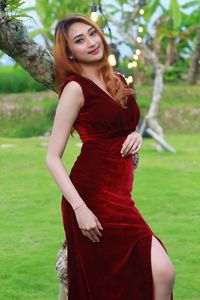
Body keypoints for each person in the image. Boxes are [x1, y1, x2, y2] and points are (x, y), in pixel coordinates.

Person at [46, 13, 175, 300]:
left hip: (120, 195)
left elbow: (124, 126)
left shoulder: (116, 79)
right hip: (91, 198)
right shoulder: (75, 89)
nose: (91, 42)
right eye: (80, 40)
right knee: (154, 273)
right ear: (69, 52)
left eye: (92, 33)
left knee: (158, 274)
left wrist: (136, 135)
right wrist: (80, 209)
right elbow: (52, 157)